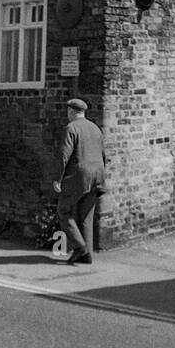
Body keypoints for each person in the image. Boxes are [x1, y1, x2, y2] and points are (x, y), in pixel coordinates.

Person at [53, 97, 106, 265]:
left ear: (71, 111)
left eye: (68, 111)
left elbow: (63, 156)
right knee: (86, 217)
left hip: (79, 177)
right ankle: (87, 255)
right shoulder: (95, 128)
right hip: (98, 176)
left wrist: (57, 179)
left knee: (63, 210)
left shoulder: (71, 128)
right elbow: (103, 155)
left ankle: (79, 246)